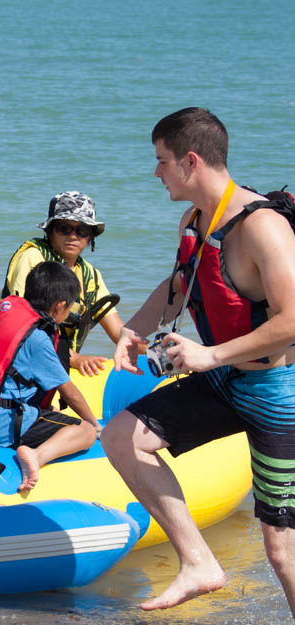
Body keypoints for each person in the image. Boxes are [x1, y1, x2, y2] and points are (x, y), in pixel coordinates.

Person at [101, 107, 295, 615]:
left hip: (278, 391)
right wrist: (133, 332)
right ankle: (199, 563)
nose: (156, 172)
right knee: (121, 436)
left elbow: (293, 319)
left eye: (161, 161)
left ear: (190, 161)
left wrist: (210, 355)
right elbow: (180, 285)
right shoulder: (195, 220)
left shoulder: (262, 228)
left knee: (282, 551)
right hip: (225, 378)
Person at [0, 262, 101, 492]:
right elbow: (69, 391)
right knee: (85, 432)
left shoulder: (3, 319)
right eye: (69, 308)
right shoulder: (37, 338)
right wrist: (94, 423)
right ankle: (36, 455)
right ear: (59, 305)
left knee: (49, 413)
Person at [2, 191, 125, 376]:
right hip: (21, 363)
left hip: (59, 365)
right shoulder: (33, 258)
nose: (73, 236)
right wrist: (73, 358)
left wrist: (157, 351)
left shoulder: (90, 275)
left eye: (82, 230)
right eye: (64, 228)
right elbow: (23, 322)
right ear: (50, 231)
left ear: (91, 237)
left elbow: (119, 333)